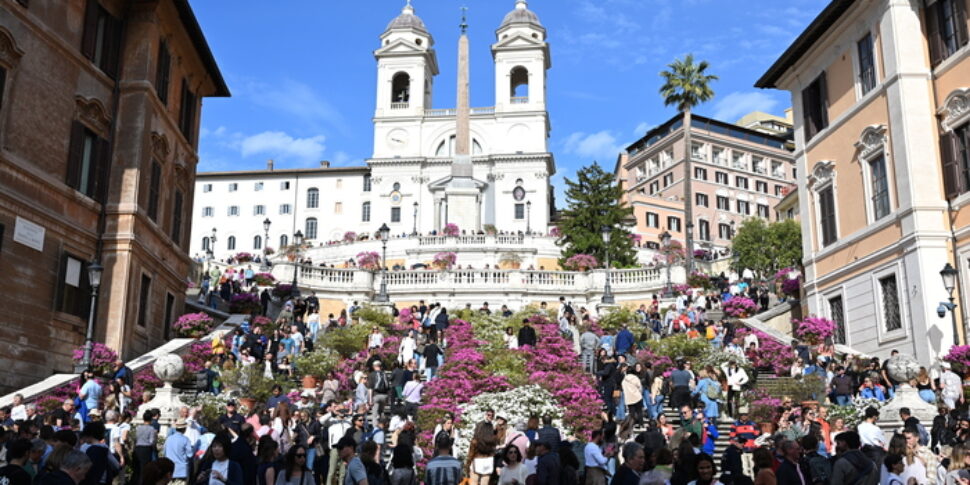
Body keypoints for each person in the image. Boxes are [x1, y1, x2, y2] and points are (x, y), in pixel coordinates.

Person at [164, 418, 194, 485]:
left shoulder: (168, 439)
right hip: (181, 470)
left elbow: (165, 452)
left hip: (169, 470)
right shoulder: (185, 440)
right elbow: (190, 455)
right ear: (184, 429)